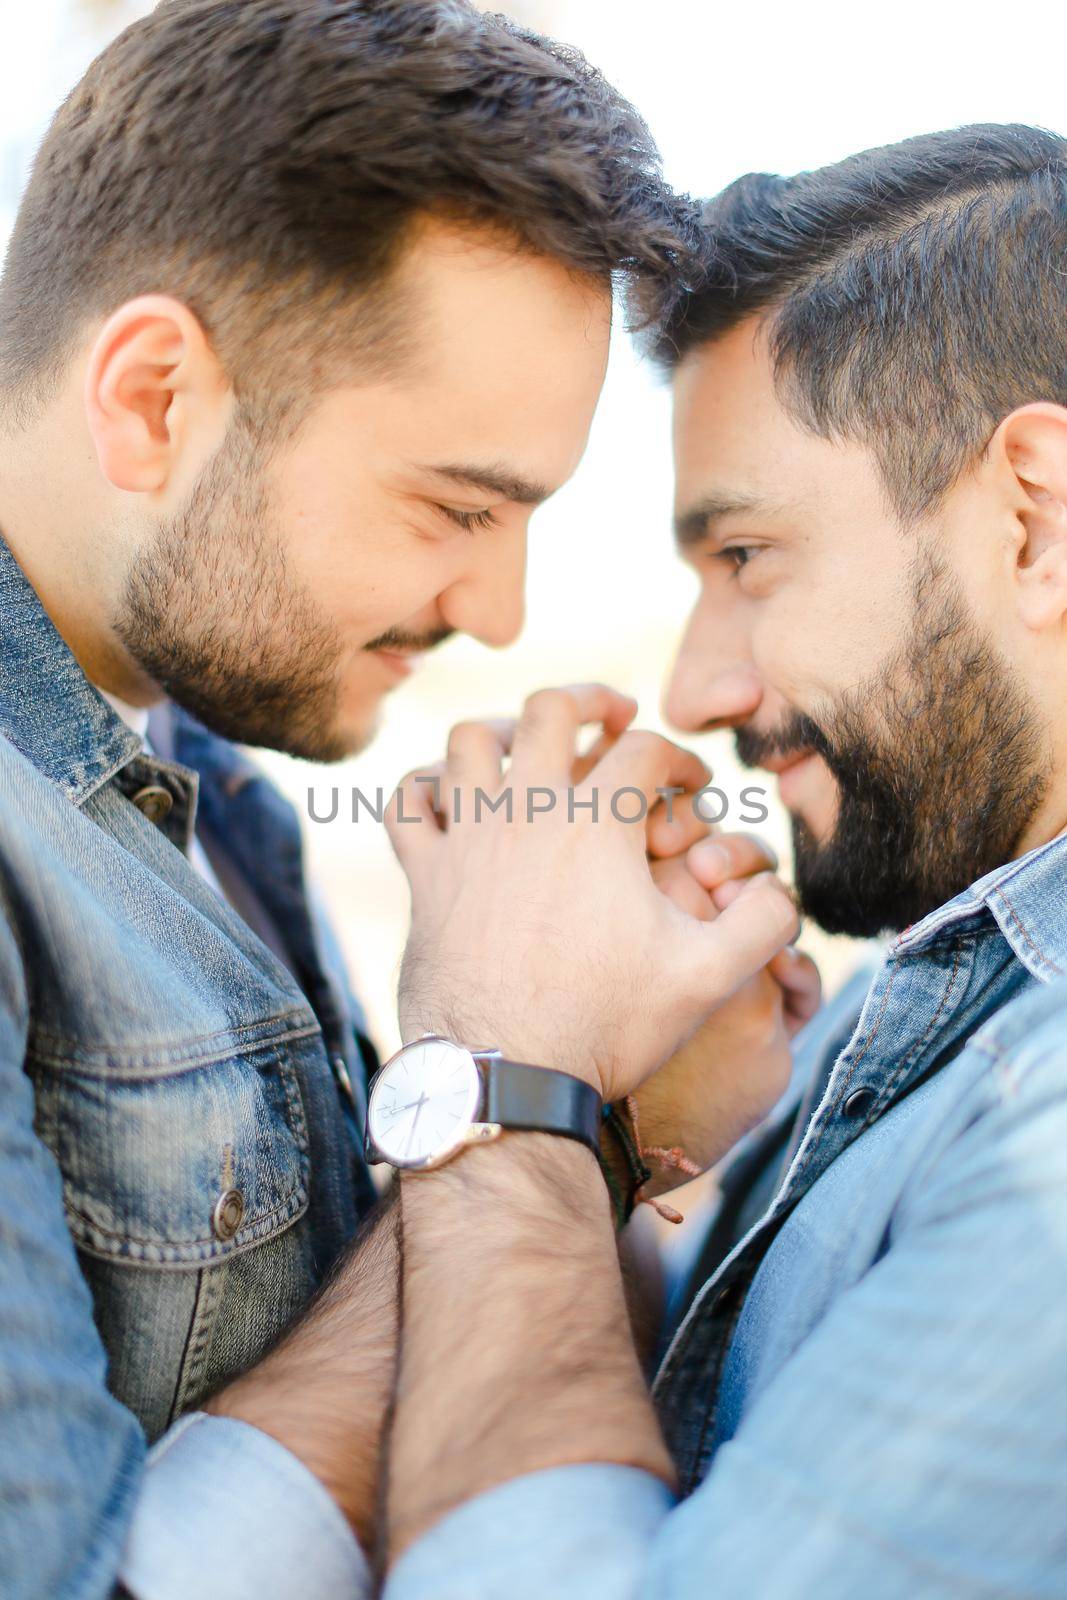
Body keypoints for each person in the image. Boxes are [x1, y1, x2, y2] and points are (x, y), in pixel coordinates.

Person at [0, 4, 787, 1597]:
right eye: (454, 504)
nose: (496, 613)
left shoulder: (213, 786)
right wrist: (526, 1079)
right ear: (155, 399)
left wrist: (589, 1114)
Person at [362, 123, 1067, 1598]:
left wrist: (503, 1071)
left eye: (746, 558)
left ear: (1039, 521)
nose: (695, 692)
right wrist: (624, 1119)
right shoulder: (947, 1020)